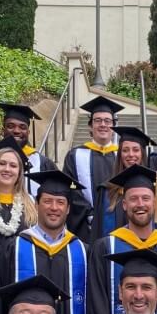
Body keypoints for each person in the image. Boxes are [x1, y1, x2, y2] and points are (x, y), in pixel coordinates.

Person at [86, 164, 157, 314]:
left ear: (155, 202)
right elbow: (96, 305)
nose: (140, 204)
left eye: (145, 198)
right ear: (124, 205)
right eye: (133, 199)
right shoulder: (104, 248)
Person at [13, 169, 88, 314]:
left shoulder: (83, 250)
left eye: (60, 202)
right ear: (36, 204)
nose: (54, 207)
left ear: (68, 209)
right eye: (47, 201)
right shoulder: (15, 248)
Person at [90, 126, 157, 241]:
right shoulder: (107, 190)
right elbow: (97, 232)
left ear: (142, 153)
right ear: (120, 155)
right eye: (125, 150)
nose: (131, 154)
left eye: (136, 150)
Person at [62, 96, 123, 240]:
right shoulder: (75, 155)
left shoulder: (122, 155)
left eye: (107, 121)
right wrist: (90, 215)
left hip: (119, 222)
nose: (103, 124)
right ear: (90, 126)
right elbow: (71, 189)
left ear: (113, 127)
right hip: (85, 226)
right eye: (98, 120)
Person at [0, 138, 37, 281]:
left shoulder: (32, 203)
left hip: (21, 277)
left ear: (20, 172)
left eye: (13, 165)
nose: (7, 169)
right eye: (2, 164)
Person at [0, 102, 59, 197]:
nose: (16, 131)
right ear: (3, 129)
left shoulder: (42, 163)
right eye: (10, 126)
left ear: (28, 132)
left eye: (22, 127)